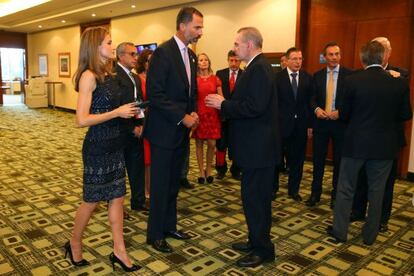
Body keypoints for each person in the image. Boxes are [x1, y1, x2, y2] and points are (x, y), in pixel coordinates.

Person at [67, 27, 140, 272]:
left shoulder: (109, 74)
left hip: (115, 144)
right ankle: (74, 242)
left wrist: (131, 111)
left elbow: (116, 109)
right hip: (97, 148)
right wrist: (116, 113)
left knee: (118, 198)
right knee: (92, 201)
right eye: (109, 42)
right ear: (96, 46)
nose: (112, 45)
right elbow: (81, 119)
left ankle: (119, 251)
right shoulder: (89, 76)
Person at [206, 27, 279, 268]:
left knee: (257, 201)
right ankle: (255, 240)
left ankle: (263, 249)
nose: (235, 49)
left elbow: (254, 107)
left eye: (237, 44)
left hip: (259, 150)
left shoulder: (259, 69)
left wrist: (224, 103)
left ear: (249, 44)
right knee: (252, 199)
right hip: (254, 149)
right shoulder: (256, 68)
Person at [327, 41, 412, 245]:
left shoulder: (352, 80)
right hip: (384, 148)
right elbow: (405, 114)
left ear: (362, 59)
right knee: (377, 191)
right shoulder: (399, 82)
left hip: (355, 144)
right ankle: (370, 235)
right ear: (384, 58)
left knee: (346, 188)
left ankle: (340, 232)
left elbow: (344, 114)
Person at [144, 6, 203, 253]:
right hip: (163, 131)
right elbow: (155, 95)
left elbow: (190, 92)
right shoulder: (163, 53)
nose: (201, 32)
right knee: (159, 185)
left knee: (172, 184)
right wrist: (182, 117)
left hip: (179, 131)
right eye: (197, 27)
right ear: (182, 25)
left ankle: (169, 226)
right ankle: (154, 234)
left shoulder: (189, 55)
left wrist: (193, 113)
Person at [351, 37, 410, 232]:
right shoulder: (360, 74)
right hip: (363, 139)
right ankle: (358, 211)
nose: (379, 52)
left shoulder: (400, 75)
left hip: (388, 141)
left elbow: (404, 111)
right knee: (361, 179)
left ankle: (381, 219)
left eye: (383, 48)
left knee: (385, 183)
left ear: (388, 53)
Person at [306, 42, 353, 208]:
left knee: (339, 162)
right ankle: (315, 194)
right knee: (318, 161)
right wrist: (317, 109)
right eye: (331, 54)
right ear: (324, 57)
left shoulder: (350, 75)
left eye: (337, 54)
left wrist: (341, 112)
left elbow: (353, 100)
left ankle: (335, 196)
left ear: (340, 56)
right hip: (321, 124)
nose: (334, 57)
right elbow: (311, 99)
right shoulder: (317, 75)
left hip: (340, 124)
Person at [275, 47, 313, 201]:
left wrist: (310, 125)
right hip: (281, 126)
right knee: (277, 160)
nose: (298, 62)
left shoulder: (307, 78)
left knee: (297, 160)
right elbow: (274, 103)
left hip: (300, 126)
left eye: (300, 59)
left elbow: (310, 103)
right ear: (287, 60)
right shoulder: (277, 78)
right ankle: (273, 188)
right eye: (295, 59)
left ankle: (293, 190)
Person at [115, 42, 148, 215]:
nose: (136, 58)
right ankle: (117, 207)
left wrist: (141, 125)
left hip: (137, 129)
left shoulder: (134, 77)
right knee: (119, 172)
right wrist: (131, 128)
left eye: (136, 54)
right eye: (132, 54)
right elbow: (116, 107)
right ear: (121, 56)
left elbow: (138, 102)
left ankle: (138, 201)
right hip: (120, 131)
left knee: (137, 167)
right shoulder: (114, 76)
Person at [192, 53, 223, 184]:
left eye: (205, 60)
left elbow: (221, 97)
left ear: (209, 62)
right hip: (199, 114)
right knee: (199, 144)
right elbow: (191, 98)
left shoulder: (216, 78)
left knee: (212, 144)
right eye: (200, 60)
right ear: (197, 63)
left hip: (212, 114)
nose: (203, 62)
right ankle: (200, 171)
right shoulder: (194, 79)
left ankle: (209, 170)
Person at [215, 50, 243, 180]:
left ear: (240, 61)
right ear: (228, 60)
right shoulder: (220, 74)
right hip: (223, 115)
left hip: (238, 116)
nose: (233, 63)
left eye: (236, 60)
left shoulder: (245, 75)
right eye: (231, 60)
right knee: (221, 144)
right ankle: (221, 169)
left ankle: (236, 170)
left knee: (237, 144)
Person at [136, 48, 153, 203]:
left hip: (157, 120)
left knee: (155, 158)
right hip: (143, 120)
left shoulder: (157, 77)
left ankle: (153, 188)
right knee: (147, 159)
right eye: (148, 60)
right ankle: (146, 191)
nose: (150, 63)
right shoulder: (138, 78)